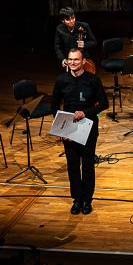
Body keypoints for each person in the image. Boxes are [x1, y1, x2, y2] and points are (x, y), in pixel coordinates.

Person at [50, 48, 108, 215]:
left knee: (88, 166)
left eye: (76, 60)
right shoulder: (61, 80)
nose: (73, 63)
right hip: (68, 128)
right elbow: (54, 106)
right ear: (67, 61)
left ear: (84, 62)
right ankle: (77, 199)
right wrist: (61, 127)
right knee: (73, 166)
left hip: (88, 127)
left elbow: (103, 103)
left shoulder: (93, 80)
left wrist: (86, 113)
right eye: (70, 59)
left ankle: (87, 200)